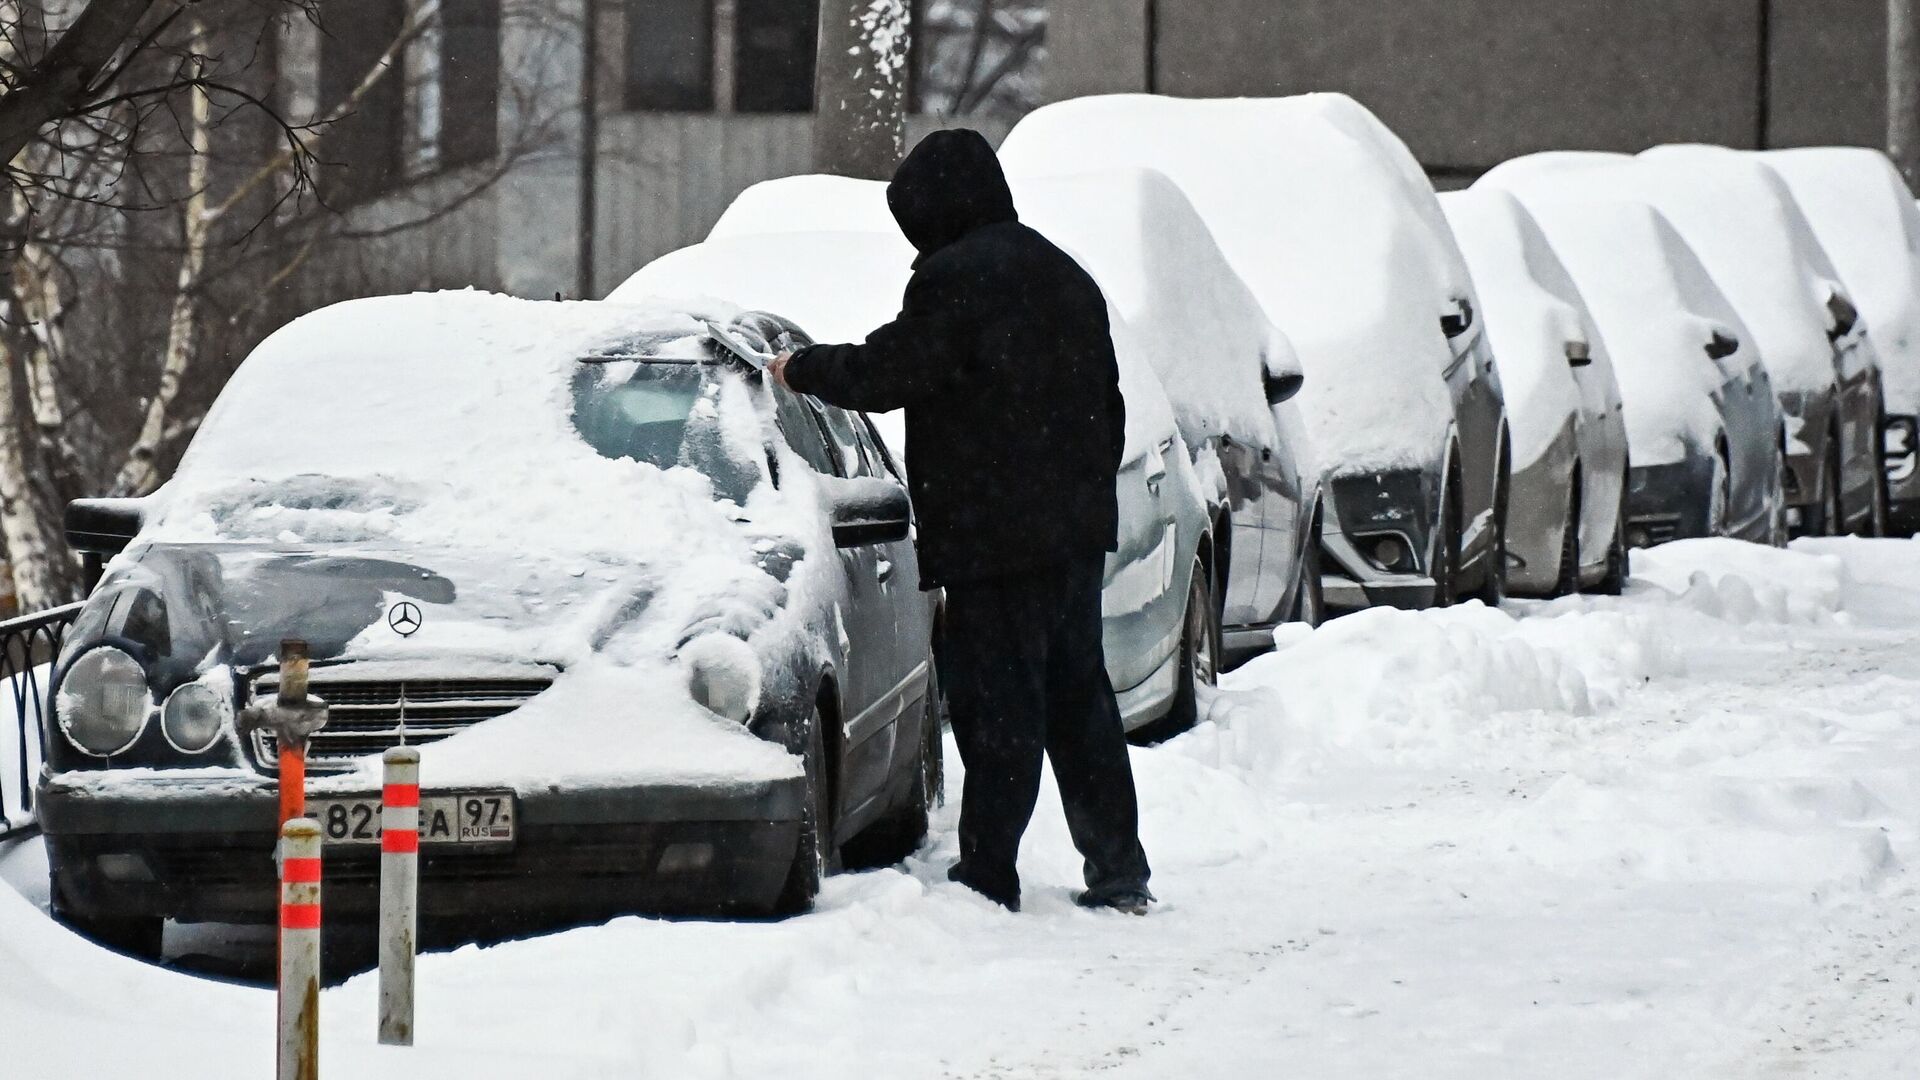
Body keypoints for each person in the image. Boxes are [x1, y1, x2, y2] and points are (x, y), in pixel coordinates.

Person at [769, 129, 1153, 914]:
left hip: (994, 538)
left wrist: (801, 368)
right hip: (1073, 534)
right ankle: (1118, 870)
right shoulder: (1065, 275)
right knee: (1079, 699)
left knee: (998, 708)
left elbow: (888, 372)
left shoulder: (957, 281)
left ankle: (989, 873)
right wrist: (1069, 489)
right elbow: (1108, 412)